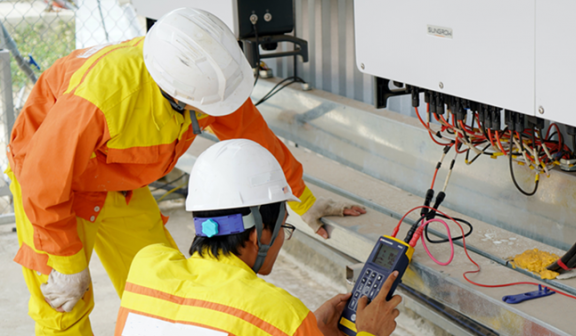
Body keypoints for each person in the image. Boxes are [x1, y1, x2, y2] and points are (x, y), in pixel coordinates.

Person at [7, 7, 365, 335]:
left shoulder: (204, 78)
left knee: (165, 288)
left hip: (115, 179)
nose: (216, 112)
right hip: (53, 186)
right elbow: (44, 180)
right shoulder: (101, 100)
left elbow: (256, 140)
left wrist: (302, 200)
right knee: (64, 306)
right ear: (175, 94)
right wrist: (67, 261)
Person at [114, 139, 400, 336]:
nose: (280, 242)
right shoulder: (279, 313)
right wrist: (369, 332)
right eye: (283, 229)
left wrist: (307, 328)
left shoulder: (146, 267)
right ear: (258, 234)